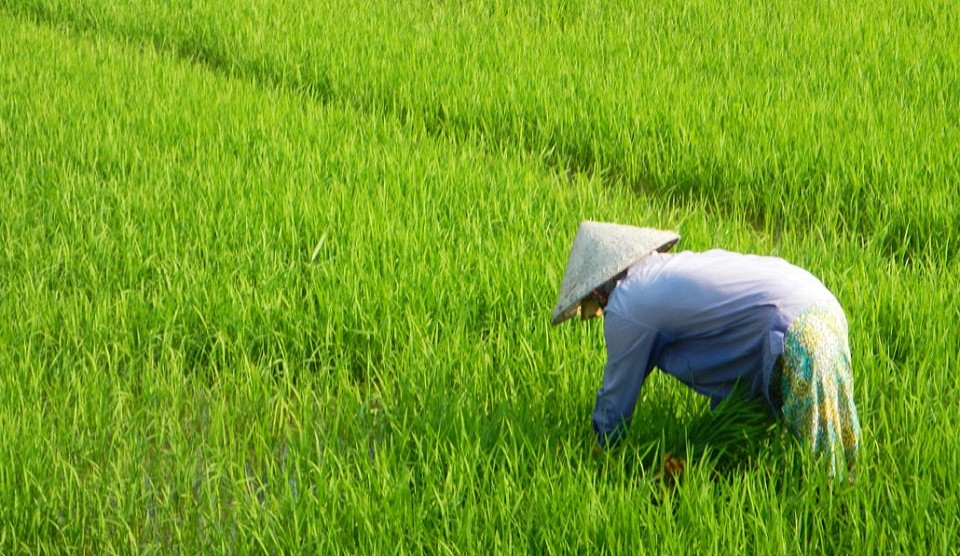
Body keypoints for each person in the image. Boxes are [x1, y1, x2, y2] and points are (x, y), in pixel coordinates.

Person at [551, 221, 861, 477]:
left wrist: (601, 456)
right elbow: (722, 353)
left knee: (823, 476)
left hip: (796, 333)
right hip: (823, 307)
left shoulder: (627, 304)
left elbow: (616, 400)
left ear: (598, 287)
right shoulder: (668, 273)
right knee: (838, 453)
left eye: (583, 304)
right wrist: (716, 434)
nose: (586, 314)